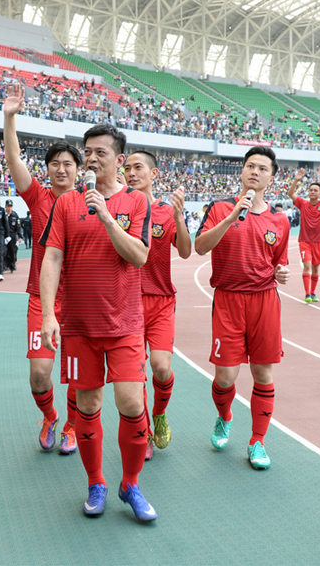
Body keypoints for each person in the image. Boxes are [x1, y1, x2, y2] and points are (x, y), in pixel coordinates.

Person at [39, 123, 156, 521]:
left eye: (100, 152)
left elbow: (139, 256)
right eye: (87, 151)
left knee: (131, 402)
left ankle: (131, 483)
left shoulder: (137, 202)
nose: (90, 158)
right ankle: (96, 482)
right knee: (87, 405)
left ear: (119, 160)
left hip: (124, 323)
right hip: (79, 326)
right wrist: (48, 314)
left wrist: (107, 217)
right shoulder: (66, 203)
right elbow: (52, 258)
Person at [195, 146, 290, 471]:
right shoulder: (220, 208)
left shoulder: (279, 219)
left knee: (263, 373)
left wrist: (282, 272)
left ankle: (257, 441)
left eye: (263, 168)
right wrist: (234, 214)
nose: (255, 172)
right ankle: (224, 416)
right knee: (225, 377)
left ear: (271, 177)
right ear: (242, 171)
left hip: (264, 300)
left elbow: (280, 263)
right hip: (228, 299)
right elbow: (200, 246)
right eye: (250, 166)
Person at [3, 82, 81, 454]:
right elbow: (15, 161)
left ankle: (70, 426)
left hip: (83, 302)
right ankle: (49, 416)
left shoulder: (91, 202)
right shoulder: (38, 197)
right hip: (42, 299)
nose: (61, 169)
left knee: (80, 375)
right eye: (55, 164)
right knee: (40, 374)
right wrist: (9, 119)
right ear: (47, 170)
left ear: (79, 171)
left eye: (68, 164)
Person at [124, 150, 192, 458]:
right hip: (127, 303)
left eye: (138, 168)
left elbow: (188, 251)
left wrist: (178, 217)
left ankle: (160, 413)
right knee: (136, 374)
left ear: (154, 174)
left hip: (162, 300)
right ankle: (146, 432)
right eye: (127, 168)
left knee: (161, 368)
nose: (131, 173)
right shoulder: (119, 210)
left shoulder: (166, 210)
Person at [287, 166, 320, 302]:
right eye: (311, 190)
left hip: (319, 241)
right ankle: (307, 294)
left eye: (315, 190)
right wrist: (296, 180)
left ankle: (313, 293)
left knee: (315, 267)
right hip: (305, 241)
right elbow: (291, 194)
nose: (312, 192)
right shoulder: (302, 203)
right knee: (307, 266)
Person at [5, 199, 20, 273]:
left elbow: (18, 226)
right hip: (4, 235)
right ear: (5, 207)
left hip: (13, 235)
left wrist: (20, 236)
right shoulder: (3, 215)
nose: (9, 208)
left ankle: (12, 266)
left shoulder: (15, 215)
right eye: (8, 206)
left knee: (12, 251)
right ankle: (5, 265)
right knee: (4, 251)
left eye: (10, 206)